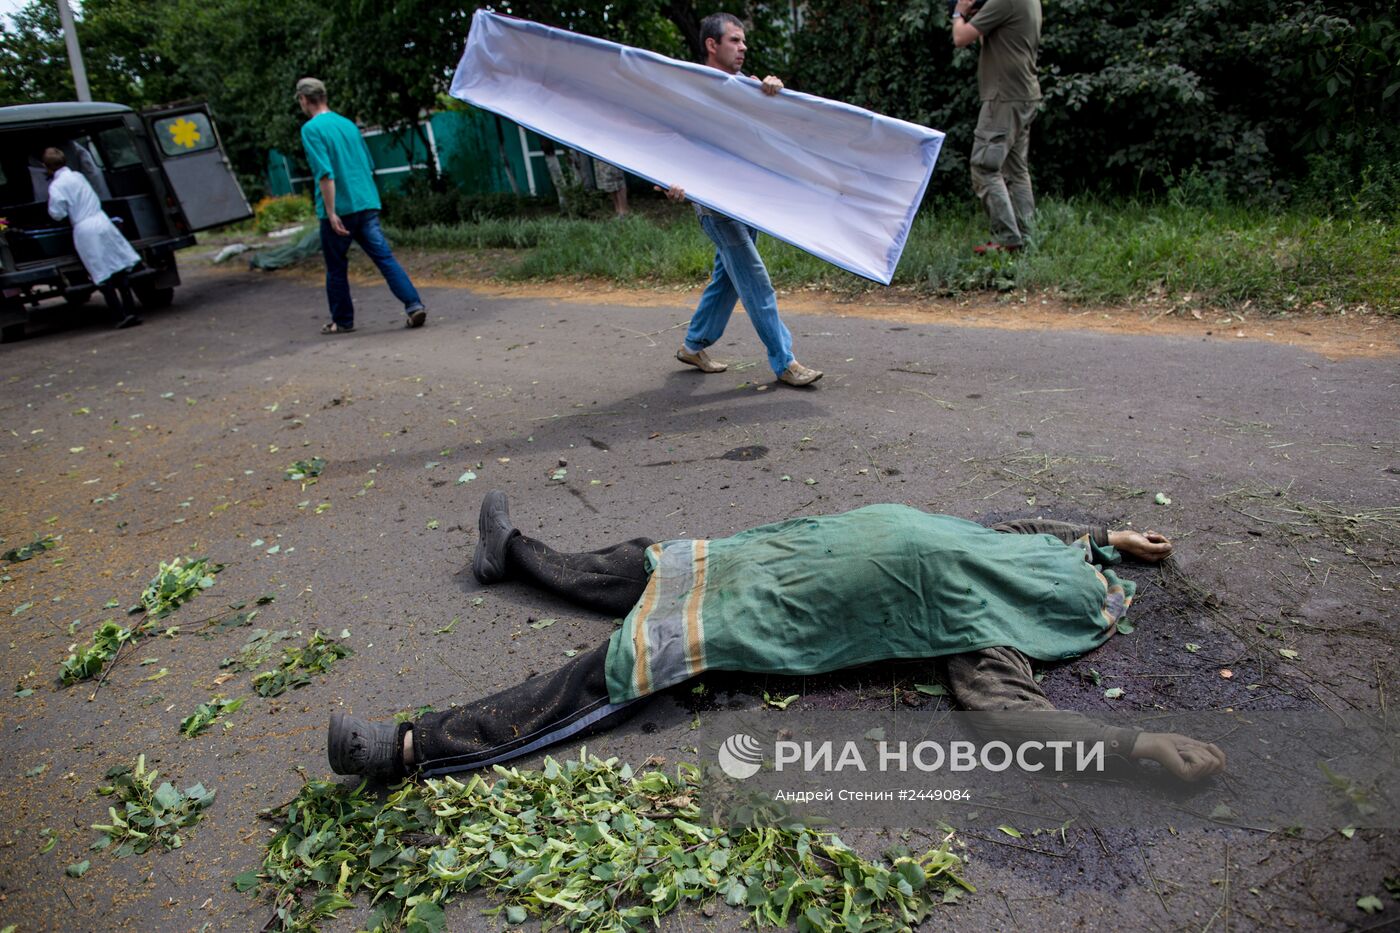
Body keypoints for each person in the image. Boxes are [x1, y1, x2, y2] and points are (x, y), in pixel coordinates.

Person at [328, 492, 1226, 784]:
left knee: (624, 666)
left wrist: (1131, 745)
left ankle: (412, 742)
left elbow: (1008, 719)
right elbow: (1056, 539)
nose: (1071, 561)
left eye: (1085, 567)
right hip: (786, 557)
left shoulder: (994, 636)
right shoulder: (1036, 554)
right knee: (651, 560)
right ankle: (513, 555)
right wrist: (1111, 536)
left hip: (785, 615)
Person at [658, 13, 822, 388]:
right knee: (755, 281)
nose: (743, 47)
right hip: (715, 207)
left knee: (726, 280)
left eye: (744, 41)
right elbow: (678, 139)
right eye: (734, 40)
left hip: (747, 202)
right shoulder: (693, 88)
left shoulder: (749, 88)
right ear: (712, 45)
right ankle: (784, 362)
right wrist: (672, 181)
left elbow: (766, 134)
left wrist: (773, 95)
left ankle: (693, 345)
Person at [294, 77, 427, 335]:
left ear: (304, 100)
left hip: (340, 209)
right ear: (324, 96)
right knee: (385, 258)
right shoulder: (348, 125)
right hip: (366, 202)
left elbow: (325, 173)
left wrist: (331, 212)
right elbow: (367, 163)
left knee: (336, 268)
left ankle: (342, 321)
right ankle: (413, 305)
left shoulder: (311, 129)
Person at [952, 0, 1042, 254]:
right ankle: (1027, 237)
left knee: (984, 167)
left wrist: (959, 12)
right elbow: (990, 40)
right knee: (1016, 170)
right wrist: (978, 15)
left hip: (1003, 97)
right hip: (1024, 94)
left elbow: (960, 37)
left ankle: (1008, 239)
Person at [43, 147, 142, 329]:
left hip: (85, 229)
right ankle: (131, 311)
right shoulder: (78, 176)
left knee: (101, 273)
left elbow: (57, 214)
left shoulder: (56, 186)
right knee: (118, 267)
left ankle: (120, 316)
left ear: (47, 167)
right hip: (103, 221)